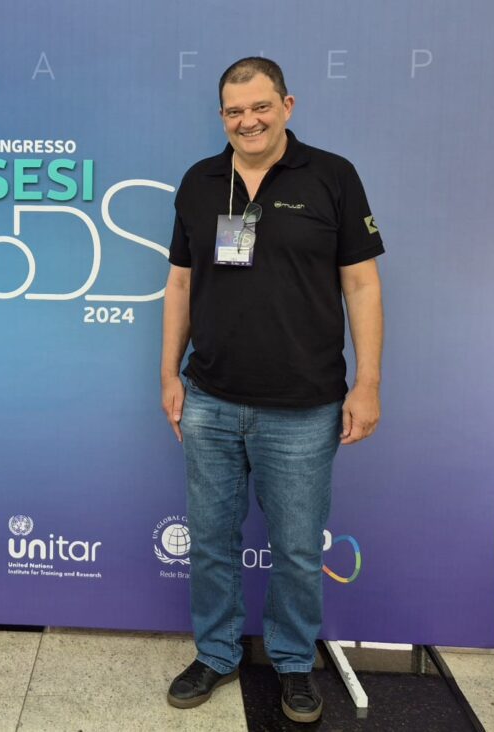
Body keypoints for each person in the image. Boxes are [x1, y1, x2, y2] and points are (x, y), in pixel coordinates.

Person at [160, 57, 384, 724]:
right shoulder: (200, 182)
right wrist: (168, 373)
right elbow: (180, 283)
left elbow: (361, 284)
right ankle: (217, 654)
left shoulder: (332, 176)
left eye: (260, 107)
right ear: (221, 116)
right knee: (210, 542)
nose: (248, 121)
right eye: (234, 111)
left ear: (287, 105)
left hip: (304, 405)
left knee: (296, 549)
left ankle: (292, 663)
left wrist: (368, 382)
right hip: (210, 399)